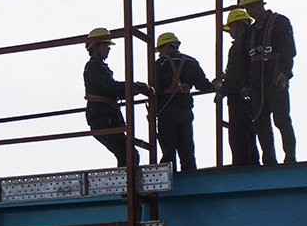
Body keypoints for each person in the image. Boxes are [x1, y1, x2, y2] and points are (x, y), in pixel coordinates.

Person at [238, 0, 297, 164]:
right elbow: (244, 61)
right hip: (257, 85)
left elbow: (288, 51)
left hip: (275, 81)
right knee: (261, 123)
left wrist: (284, 74)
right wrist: (245, 84)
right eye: (247, 8)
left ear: (261, 3)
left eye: (253, 6)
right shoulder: (250, 32)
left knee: (281, 119)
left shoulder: (279, 22)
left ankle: (290, 156)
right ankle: (269, 159)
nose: (251, 10)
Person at [83, 28, 152, 166]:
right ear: (96, 46)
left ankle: (126, 183)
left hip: (106, 116)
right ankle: (126, 184)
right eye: (106, 45)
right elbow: (110, 86)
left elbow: (111, 89)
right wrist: (135, 87)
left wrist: (133, 88)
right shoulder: (94, 67)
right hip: (103, 117)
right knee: (127, 154)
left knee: (127, 153)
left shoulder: (98, 67)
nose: (108, 49)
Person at [150, 32, 215, 173]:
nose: (159, 53)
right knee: (187, 149)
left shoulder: (159, 64)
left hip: (166, 113)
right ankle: (191, 178)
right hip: (185, 111)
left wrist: (153, 112)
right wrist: (216, 86)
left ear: (166, 46)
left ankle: (170, 178)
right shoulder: (191, 62)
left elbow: (155, 90)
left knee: (168, 150)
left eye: (160, 49)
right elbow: (203, 85)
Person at [216, 8, 260, 166]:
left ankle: (241, 166)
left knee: (238, 134)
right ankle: (254, 163)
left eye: (231, 28)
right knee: (251, 133)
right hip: (254, 94)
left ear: (240, 24)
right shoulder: (255, 40)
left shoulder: (239, 45)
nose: (230, 32)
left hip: (238, 96)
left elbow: (235, 71)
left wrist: (223, 90)